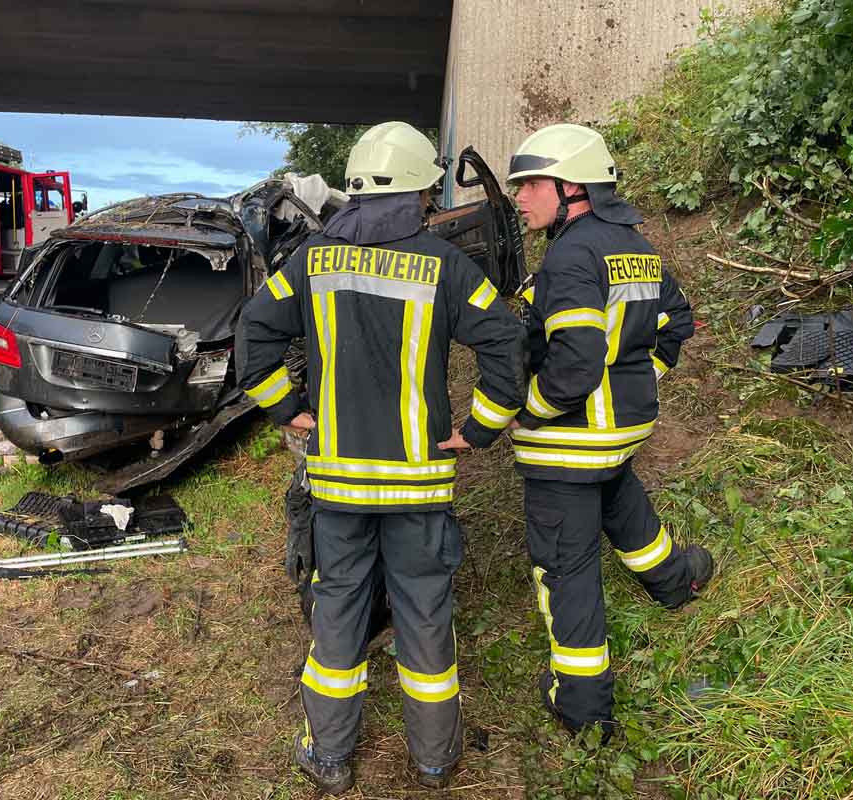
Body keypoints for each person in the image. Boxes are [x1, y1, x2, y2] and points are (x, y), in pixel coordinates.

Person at [237, 121, 525, 792]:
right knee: (425, 611)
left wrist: (289, 409)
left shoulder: (312, 259)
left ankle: (331, 757)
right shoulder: (449, 266)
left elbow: (254, 338)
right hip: (418, 484)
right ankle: (434, 759)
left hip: (337, 484)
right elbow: (505, 346)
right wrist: (479, 429)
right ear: (420, 191)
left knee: (337, 609)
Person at [505, 123, 714, 738]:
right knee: (620, 502)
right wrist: (634, 377)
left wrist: (530, 410)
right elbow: (678, 321)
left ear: (573, 187)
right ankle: (680, 578)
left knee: (565, 570)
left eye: (532, 183)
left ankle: (583, 706)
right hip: (620, 431)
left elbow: (572, 365)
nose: (520, 198)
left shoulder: (571, 256)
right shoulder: (635, 245)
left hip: (569, 441)